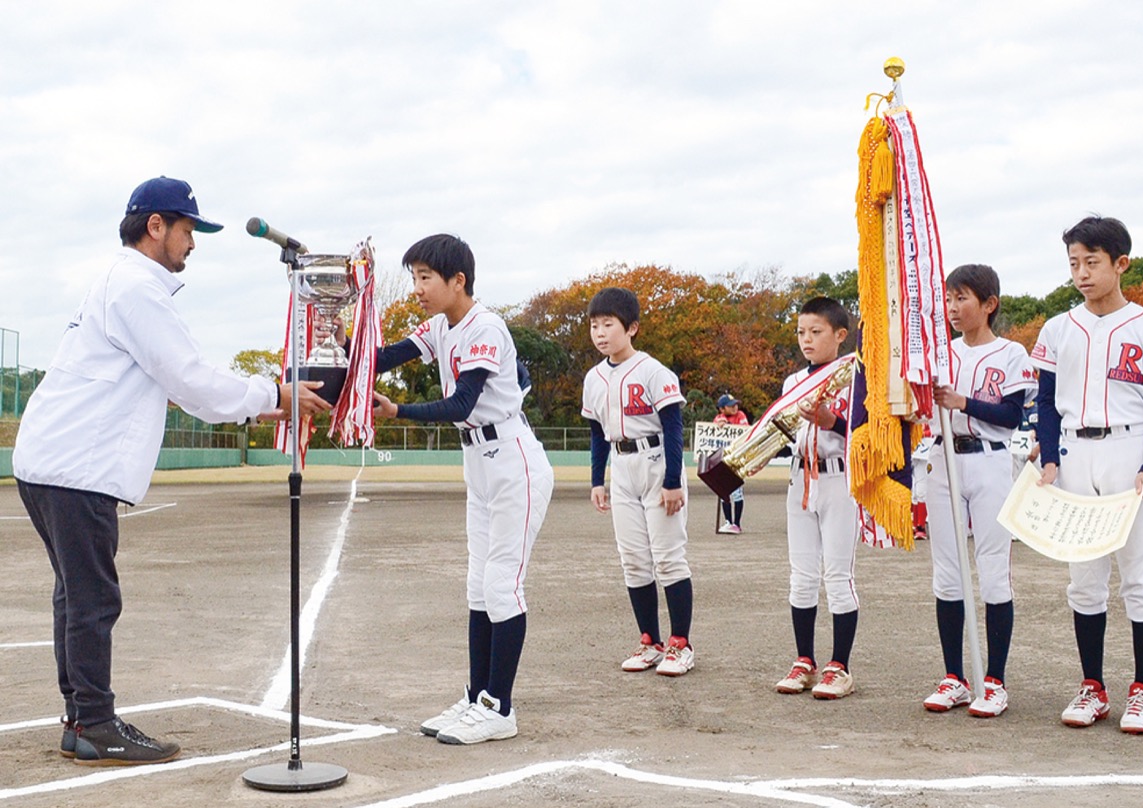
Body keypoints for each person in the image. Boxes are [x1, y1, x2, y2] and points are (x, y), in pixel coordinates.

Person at [12, 176, 329, 766]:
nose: (193, 243)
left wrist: (266, 396)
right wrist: (275, 393)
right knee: (91, 599)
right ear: (154, 226)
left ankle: (81, 717)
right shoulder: (137, 287)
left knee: (75, 595)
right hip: (74, 465)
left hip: (53, 460)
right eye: (187, 230)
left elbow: (179, 386)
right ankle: (95, 724)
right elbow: (191, 379)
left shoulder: (124, 283)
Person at [369, 234, 554, 745]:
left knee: (502, 585)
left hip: (513, 459)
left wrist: (399, 411)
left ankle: (500, 708)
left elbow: (464, 403)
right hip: (479, 461)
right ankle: (477, 697)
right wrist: (345, 342)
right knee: (478, 584)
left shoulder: (485, 327)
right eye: (414, 277)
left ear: (458, 281)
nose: (418, 288)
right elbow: (384, 358)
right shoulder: (439, 326)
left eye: (426, 277)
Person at [1032, 216, 1143, 734]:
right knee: (1084, 578)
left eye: (1092, 262)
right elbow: (1048, 405)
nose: (1081, 272)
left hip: (1129, 446)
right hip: (1077, 452)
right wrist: (1050, 457)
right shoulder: (1058, 327)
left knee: (1139, 575)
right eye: (1074, 263)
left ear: (1121, 263)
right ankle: (1092, 686)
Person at [922, 264, 1035, 719]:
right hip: (942, 458)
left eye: (962, 298)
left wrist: (962, 402)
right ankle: (955, 676)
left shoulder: (1011, 353)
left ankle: (995, 680)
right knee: (947, 573)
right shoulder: (938, 354)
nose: (952, 307)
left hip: (991, 459)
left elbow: (1012, 415)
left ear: (989, 304)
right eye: (948, 299)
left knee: (992, 572)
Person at [582, 287, 694, 677]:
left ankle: (681, 643)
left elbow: (673, 426)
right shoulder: (593, 378)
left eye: (608, 324)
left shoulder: (653, 370)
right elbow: (598, 433)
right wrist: (598, 479)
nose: (599, 333)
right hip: (621, 465)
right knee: (633, 561)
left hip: (656, 460)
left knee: (667, 557)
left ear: (631, 328)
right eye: (594, 325)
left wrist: (673, 480)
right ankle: (650, 641)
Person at [775, 297, 859, 699]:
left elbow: (867, 436)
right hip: (800, 478)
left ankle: (839, 666)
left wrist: (834, 421)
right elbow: (782, 431)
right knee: (802, 577)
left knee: (838, 578)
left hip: (840, 479)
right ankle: (804, 660)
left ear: (840, 335)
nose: (806, 340)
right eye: (801, 332)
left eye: (816, 332)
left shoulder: (856, 376)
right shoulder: (793, 382)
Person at [713, 393, 749, 533]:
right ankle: (728, 521)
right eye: (731, 405)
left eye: (735, 404)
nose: (735, 407)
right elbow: (714, 428)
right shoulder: (719, 418)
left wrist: (729, 425)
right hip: (723, 461)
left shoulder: (740, 416)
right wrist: (720, 425)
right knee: (724, 493)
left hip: (737, 460)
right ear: (722, 409)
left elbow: (744, 430)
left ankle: (737, 523)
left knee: (737, 492)